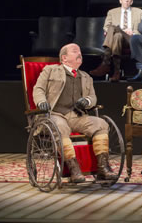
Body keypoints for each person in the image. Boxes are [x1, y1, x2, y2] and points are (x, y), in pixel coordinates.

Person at [33, 43, 115, 183]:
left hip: (76, 115)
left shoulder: (85, 76)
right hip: (55, 114)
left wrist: (87, 102)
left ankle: (103, 167)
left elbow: (93, 97)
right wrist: (41, 102)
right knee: (61, 127)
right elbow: (38, 89)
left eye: (80, 51)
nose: (80, 53)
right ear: (64, 58)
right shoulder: (50, 70)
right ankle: (74, 169)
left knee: (101, 124)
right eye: (75, 51)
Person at [90, 0, 142, 82]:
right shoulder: (112, 12)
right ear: (120, 0)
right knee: (116, 34)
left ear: (132, 1)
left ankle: (105, 63)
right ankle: (116, 72)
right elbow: (106, 27)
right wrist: (119, 30)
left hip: (131, 39)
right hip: (116, 39)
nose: (127, 0)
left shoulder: (139, 12)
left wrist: (133, 32)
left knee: (113, 28)